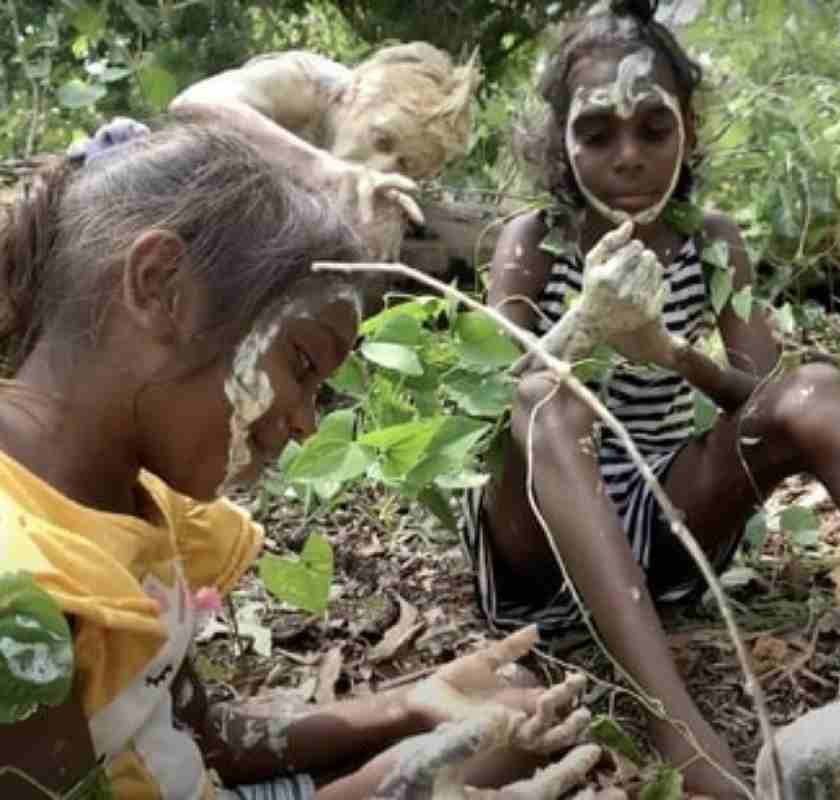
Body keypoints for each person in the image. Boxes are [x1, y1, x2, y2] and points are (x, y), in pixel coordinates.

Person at [0, 123, 594, 800]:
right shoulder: (20, 598)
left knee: (509, 716)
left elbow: (199, 730)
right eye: (301, 364)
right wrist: (384, 789)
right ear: (160, 286)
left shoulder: (128, 496)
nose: (306, 422)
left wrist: (410, 703)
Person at [461, 1, 840, 794]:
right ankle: (682, 734)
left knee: (815, 389)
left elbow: (769, 398)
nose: (629, 157)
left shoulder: (710, 241)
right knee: (551, 398)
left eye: (654, 127)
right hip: (536, 548)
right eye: (596, 133)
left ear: (688, 127)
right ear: (557, 139)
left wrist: (670, 354)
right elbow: (487, 408)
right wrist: (582, 328)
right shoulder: (533, 241)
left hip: (664, 529)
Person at [169, 42, 479, 255]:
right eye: (381, 141)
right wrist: (319, 168)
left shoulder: (382, 181)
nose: (381, 169)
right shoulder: (312, 82)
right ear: (356, 93)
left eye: (405, 166)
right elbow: (194, 105)